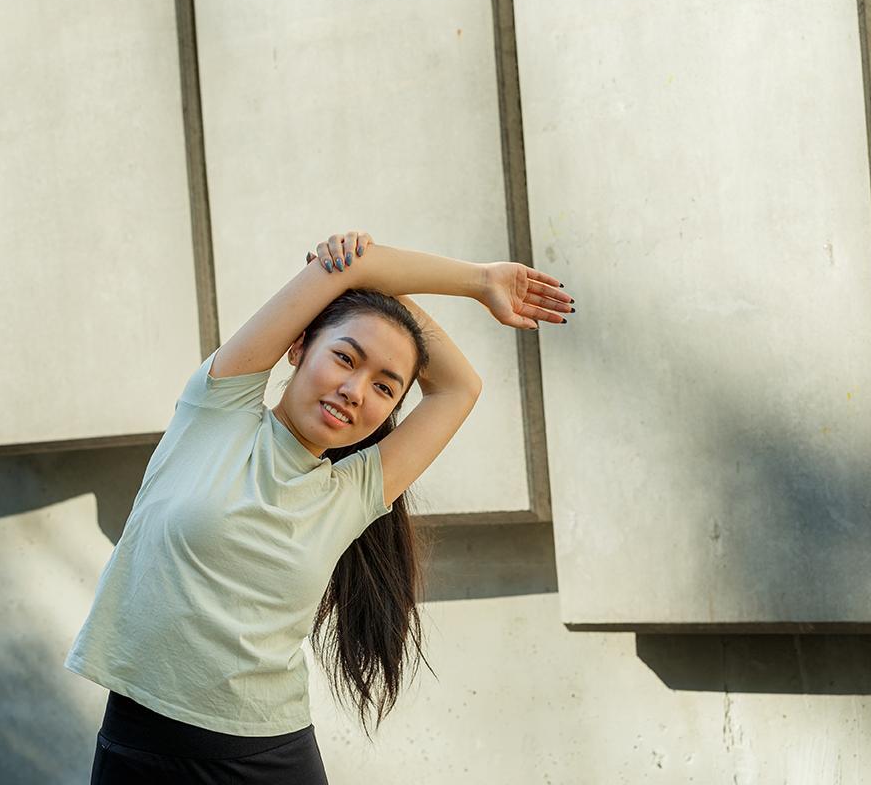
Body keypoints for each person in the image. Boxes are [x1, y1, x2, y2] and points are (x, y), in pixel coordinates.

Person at [65, 231, 574, 782]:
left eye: (385, 387)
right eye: (345, 358)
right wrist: (476, 280)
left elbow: (458, 387)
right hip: (142, 748)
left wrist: (368, 282)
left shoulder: (352, 492)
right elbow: (340, 268)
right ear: (298, 347)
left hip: (267, 759)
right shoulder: (216, 411)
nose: (356, 390)